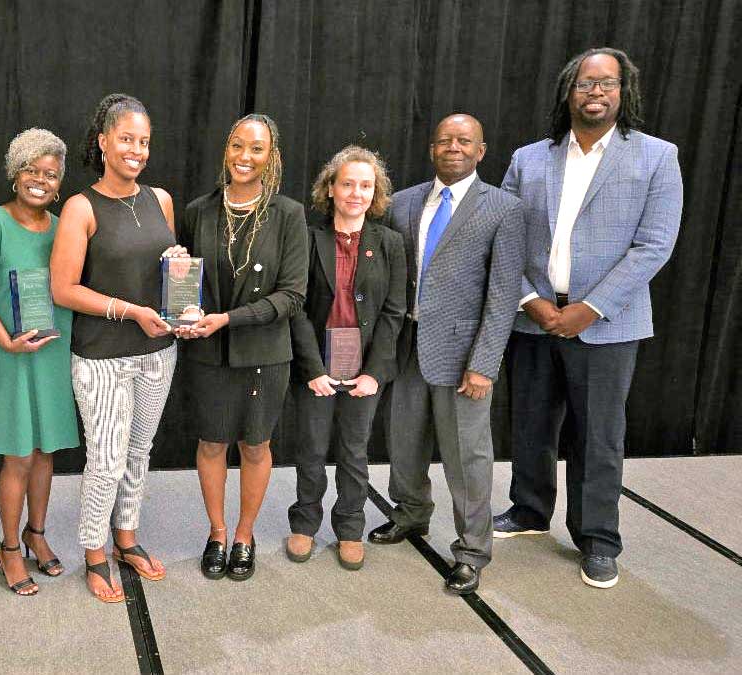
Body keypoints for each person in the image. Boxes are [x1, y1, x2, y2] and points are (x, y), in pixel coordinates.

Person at [496, 48, 683, 589]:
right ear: (568, 91)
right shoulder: (530, 158)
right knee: (531, 423)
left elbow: (654, 246)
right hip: (534, 315)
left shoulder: (656, 157)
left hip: (607, 323)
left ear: (624, 91)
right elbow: (503, 236)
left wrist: (590, 308)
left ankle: (598, 539)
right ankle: (529, 509)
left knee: (598, 435)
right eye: (585, 83)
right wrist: (530, 300)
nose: (595, 92)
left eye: (607, 83)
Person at [369, 113, 524, 595]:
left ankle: (472, 550)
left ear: (481, 151)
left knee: (466, 457)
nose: (453, 147)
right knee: (403, 441)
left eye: (464, 141)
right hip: (406, 347)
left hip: (463, 357)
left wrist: (484, 365)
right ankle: (411, 513)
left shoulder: (504, 209)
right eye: (444, 141)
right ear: (432, 149)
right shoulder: (403, 202)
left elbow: (503, 295)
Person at [51, 93, 182, 603]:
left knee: (138, 452)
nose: (136, 150)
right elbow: (64, 289)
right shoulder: (81, 207)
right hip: (102, 357)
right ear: (104, 142)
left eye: (144, 141)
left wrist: (177, 269)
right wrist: (130, 311)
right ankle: (94, 552)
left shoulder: (161, 199)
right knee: (105, 460)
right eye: (126, 139)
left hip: (158, 352)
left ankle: (126, 538)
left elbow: (165, 274)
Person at [176, 114, 308, 581]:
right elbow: (185, 283)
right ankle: (216, 532)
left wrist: (229, 319)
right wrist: (179, 287)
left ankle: (244, 535)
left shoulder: (288, 214)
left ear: (272, 156)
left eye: (256, 148)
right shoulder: (198, 211)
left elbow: (292, 296)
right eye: (237, 145)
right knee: (211, 443)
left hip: (264, 354)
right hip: (207, 353)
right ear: (226, 150)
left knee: (255, 446)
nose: (244, 156)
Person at [0, 128, 79, 596]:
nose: (40, 180)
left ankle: (37, 533)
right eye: (31, 169)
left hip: (51, 352)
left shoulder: (63, 228)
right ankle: (9, 547)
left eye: (50, 174)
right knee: (19, 456)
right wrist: (4, 342)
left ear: (59, 184)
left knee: (46, 451)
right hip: (11, 355)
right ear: (15, 173)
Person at [285, 146, 406, 569]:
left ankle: (350, 527)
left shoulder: (390, 243)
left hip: (365, 367)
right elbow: (297, 308)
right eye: (348, 184)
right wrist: (312, 369)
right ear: (331, 188)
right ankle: (304, 523)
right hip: (316, 364)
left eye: (366, 186)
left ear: (376, 193)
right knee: (311, 447)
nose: (356, 193)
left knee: (355, 450)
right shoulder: (306, 237)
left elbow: (393, 312)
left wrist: (375, 373)